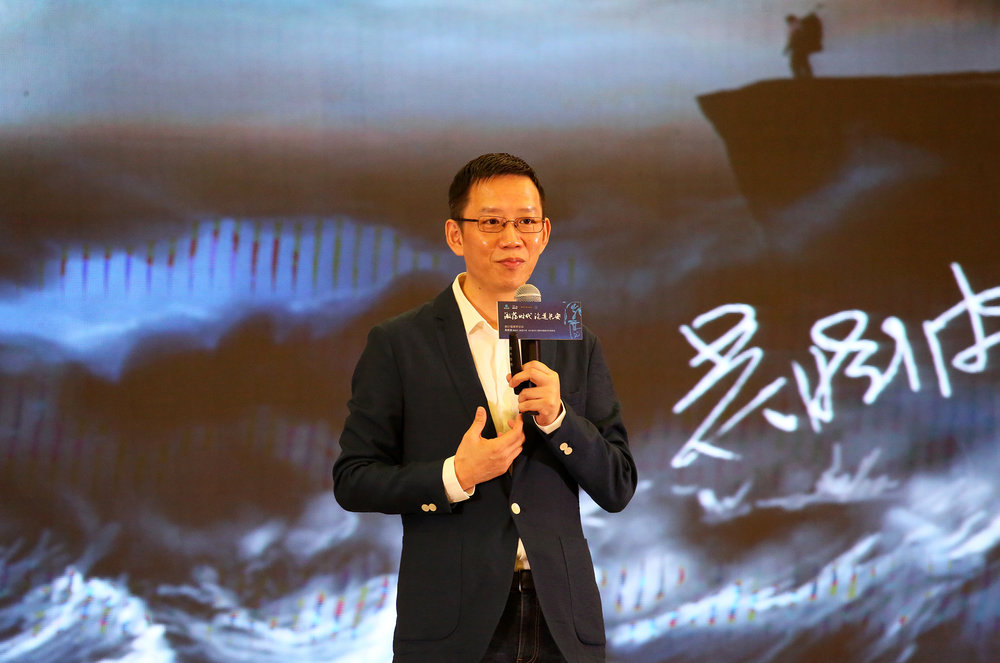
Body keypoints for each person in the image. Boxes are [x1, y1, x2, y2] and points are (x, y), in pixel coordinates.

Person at [332, 152, 637, 662]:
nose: (512, 238)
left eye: (526, 222)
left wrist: (561, 421)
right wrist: (456, 475)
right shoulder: (400, 342)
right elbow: (353, 479)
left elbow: (618, 485)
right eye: (492, 223)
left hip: (562, 624)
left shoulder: (574, 339)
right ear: (456, 235)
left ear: (544, 233)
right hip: (453, 625)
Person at [784, 13, 821, 79]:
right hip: (802, 49)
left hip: (799, 49)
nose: (789, 24)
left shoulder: (797, 27)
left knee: (796, 64)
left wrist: (787, 48)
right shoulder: (800, 25)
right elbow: (793, 40)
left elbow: (793, 39)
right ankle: (807, 77)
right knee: (803, 63)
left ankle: (800, 78)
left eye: (789, 22)